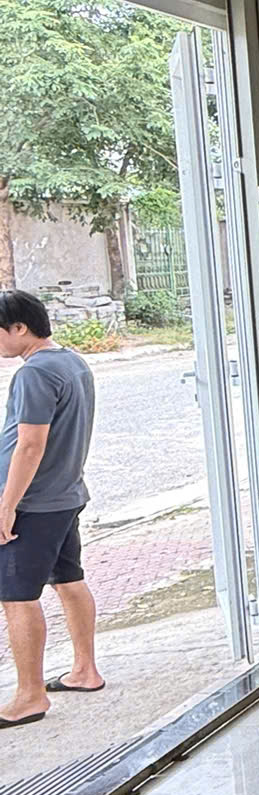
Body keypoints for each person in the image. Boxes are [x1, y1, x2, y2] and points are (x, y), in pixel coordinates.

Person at [0, 289, 104, 726]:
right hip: (65, 495)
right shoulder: (72, 362)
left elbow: (30, 445)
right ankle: (85, 670)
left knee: (16, 597)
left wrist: (7, 506)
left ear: (19, 328)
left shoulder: (35, 373)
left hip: (35, 504)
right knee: (69, 579)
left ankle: (30, 697)